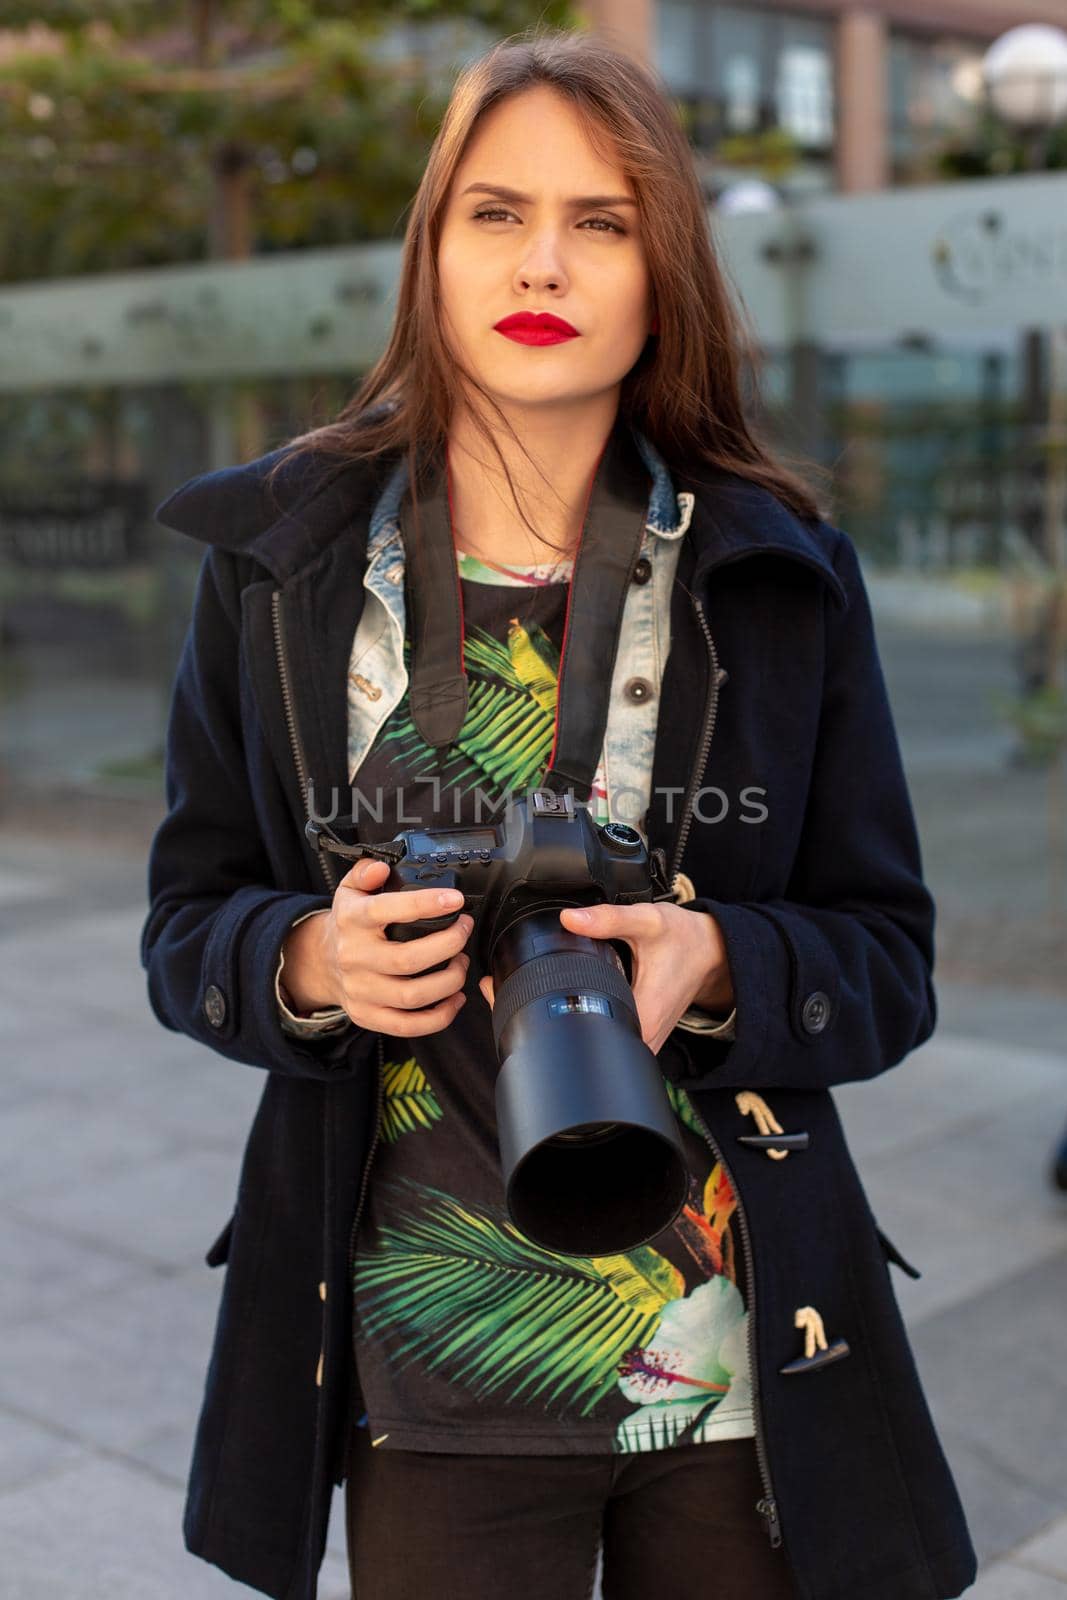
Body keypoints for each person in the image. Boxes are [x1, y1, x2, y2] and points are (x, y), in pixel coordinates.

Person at [142, 26, 978, 1600]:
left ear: (663, 268)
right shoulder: (282, 568)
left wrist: (716, 959)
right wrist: (311, 967)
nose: (546, 261)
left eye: (602, 221)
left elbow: (888, 961)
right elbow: (187, 920)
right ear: (431, 252)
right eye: (496, 212)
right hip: (423, 1352)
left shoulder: (780, 573)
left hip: (728, 1360)